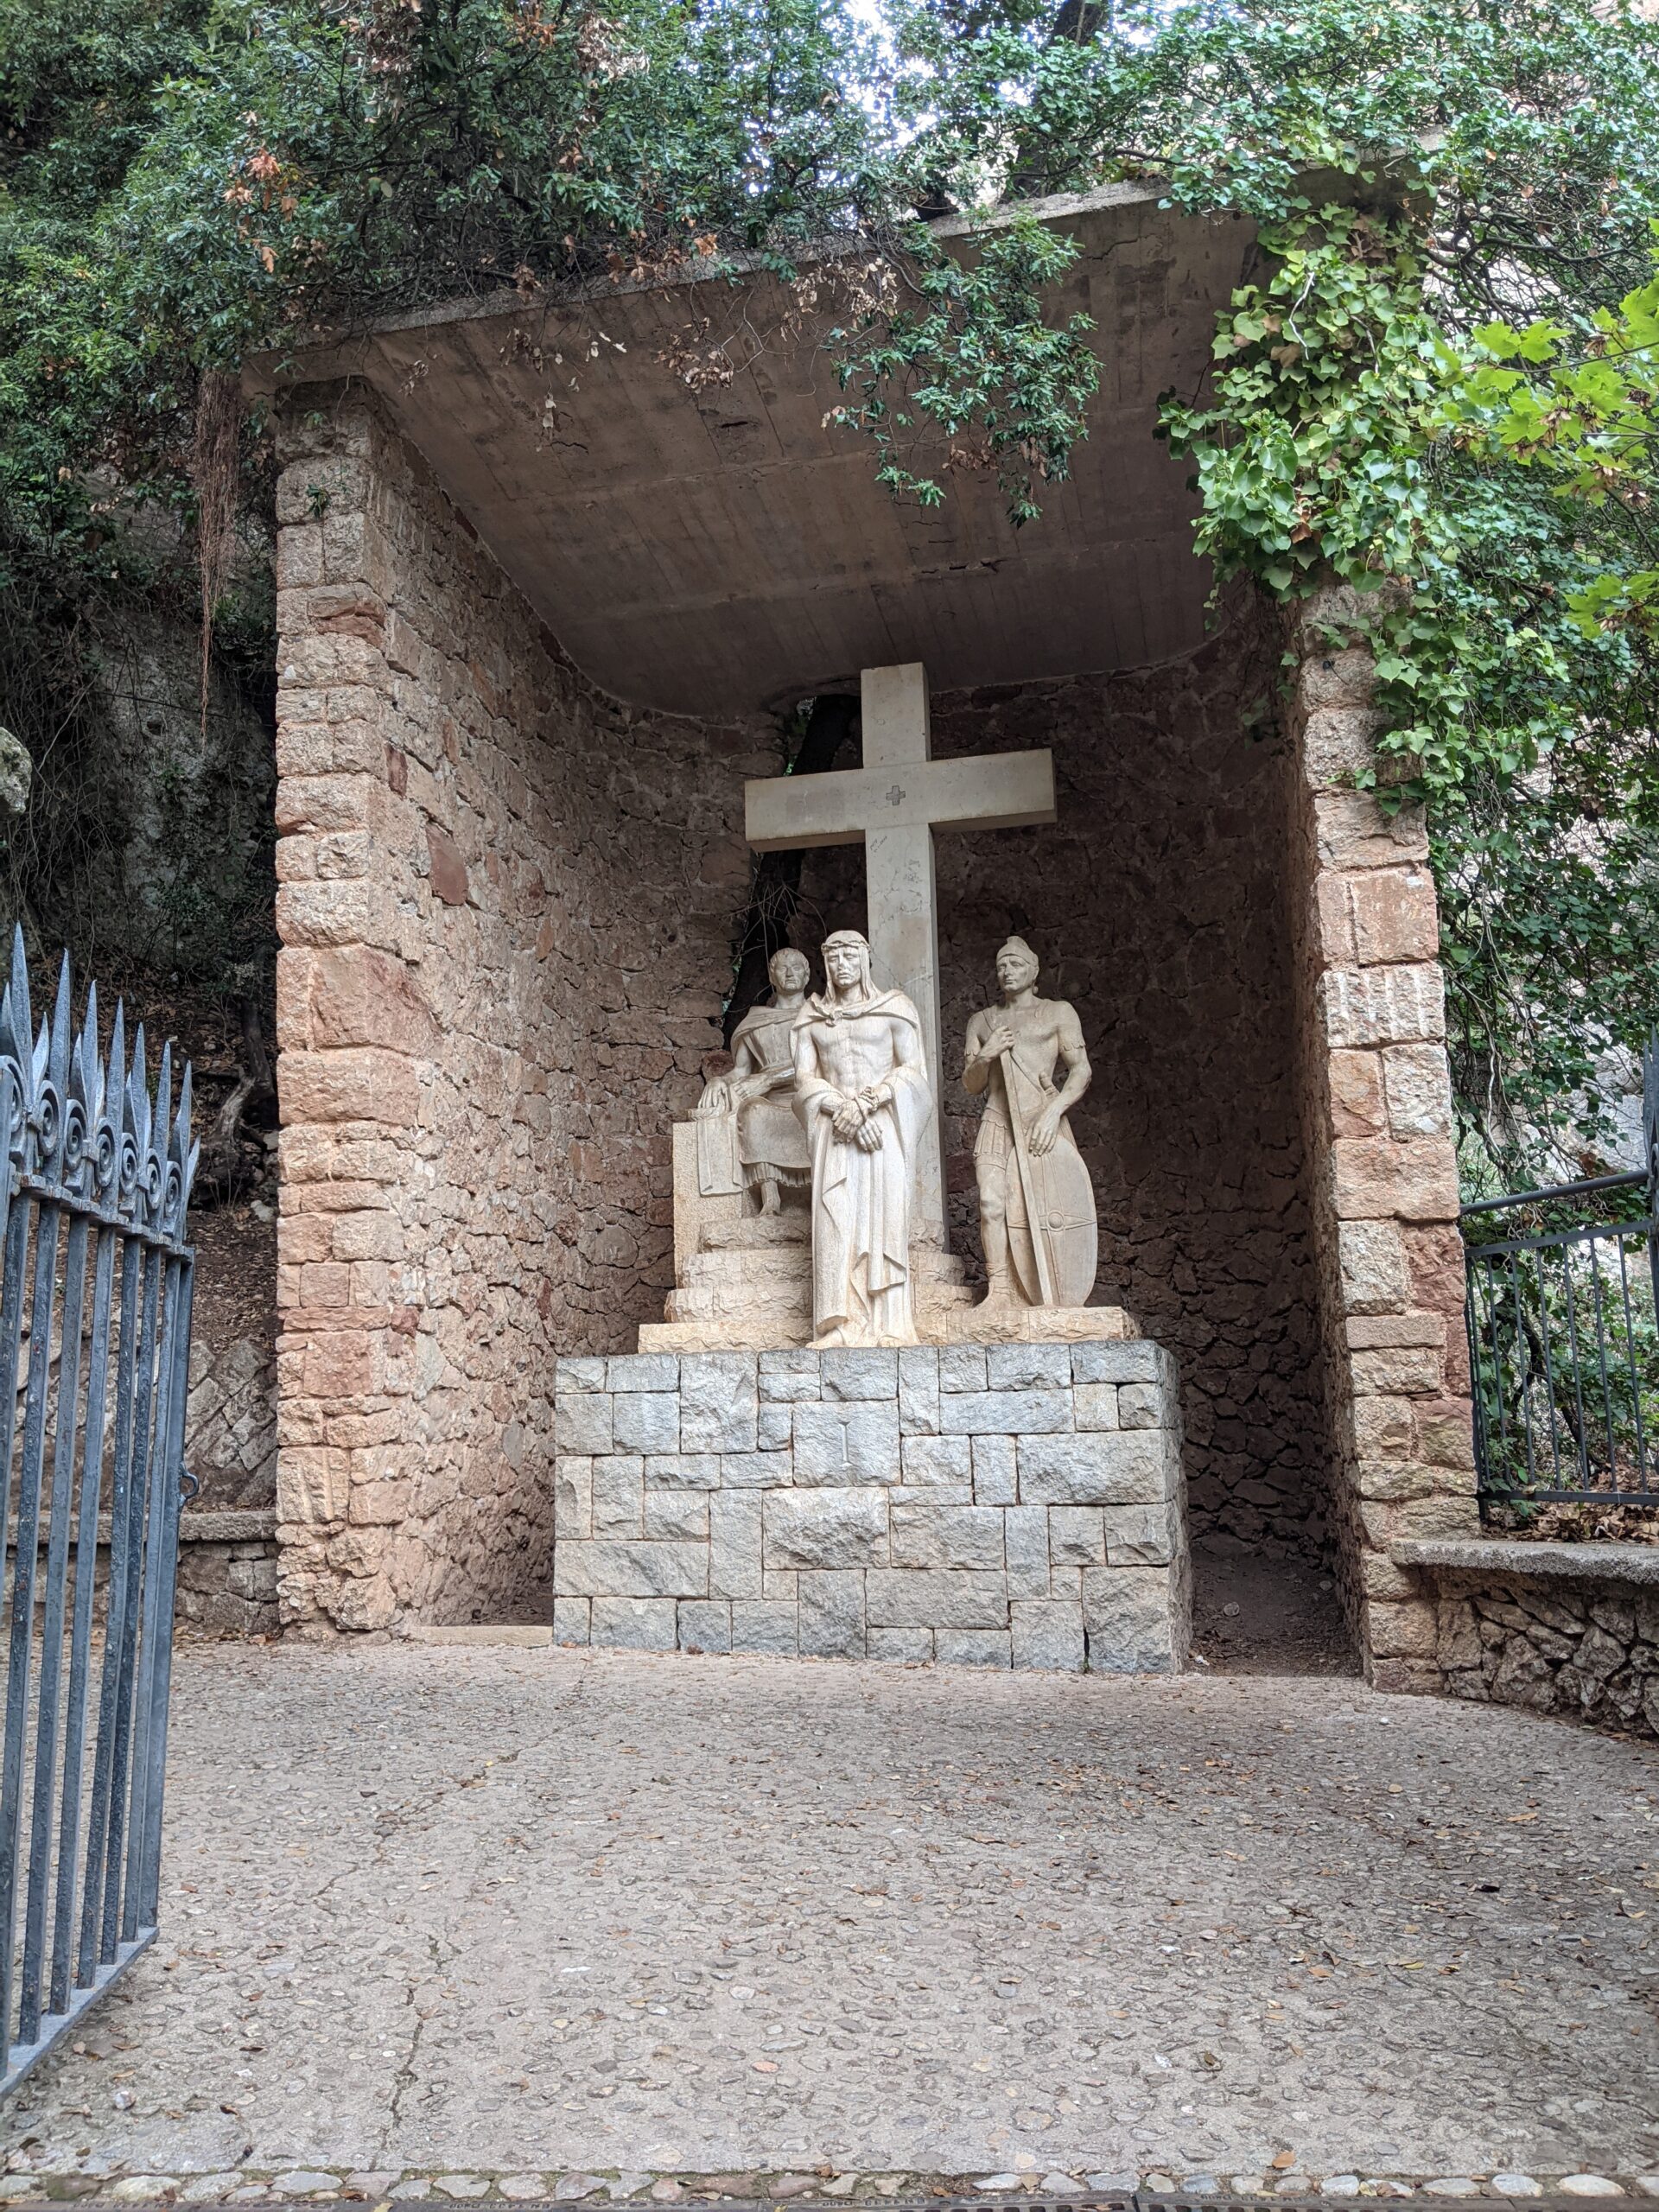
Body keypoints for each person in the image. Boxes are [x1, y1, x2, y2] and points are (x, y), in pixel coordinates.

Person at [791, 930, 931, 1345]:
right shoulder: (811, 1018)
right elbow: (803, 1079)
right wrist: (842, 1108)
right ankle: (839, 1325)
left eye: (850, 956)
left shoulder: (894, 1009)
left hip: (882, 1130)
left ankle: (889, 1325)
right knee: (836, 1221)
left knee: (885, 1222)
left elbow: (913, 1073)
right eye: (834, 958)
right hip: (835, 1131)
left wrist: (869, 1103)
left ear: (865, 960)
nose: (842, 965)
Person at [963, 935, 1095, 1306]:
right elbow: (971, 1085)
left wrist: (1053, 1113)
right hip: (997, 1119)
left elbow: (1081, 1070)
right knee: (991, 1204)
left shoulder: (1058, 1013)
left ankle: (1052, 1290)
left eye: (1016, 964)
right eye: (1001, 966)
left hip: (1041, 1119)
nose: (1007, 971)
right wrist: (986, 1055)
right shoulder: (982, 1021)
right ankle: (999, 1291)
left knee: (1050, 1204)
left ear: (1033, 971)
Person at [699, 947, 812, 1215]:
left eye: (796, 967)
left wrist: (770, 1078)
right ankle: (770, 1200)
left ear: (807, 975)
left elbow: (826, 1066)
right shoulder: (757, 1021)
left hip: (808, 1095)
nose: (790, 973)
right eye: (782, 968)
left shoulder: (821, 1015)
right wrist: (718, 1081)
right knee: (753, 1112)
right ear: (772, 977)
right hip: (769, 1101)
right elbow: (741, 1071)